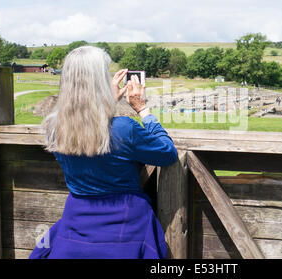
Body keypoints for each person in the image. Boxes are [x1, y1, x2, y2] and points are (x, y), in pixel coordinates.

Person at [29, 46, 178, 259]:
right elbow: (167, 153)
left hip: (78, 221)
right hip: (126, 224)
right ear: (100, 81)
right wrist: (143, 110)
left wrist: (108, 102)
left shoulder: (54, 129)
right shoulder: (124, 128)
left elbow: (88, 126)